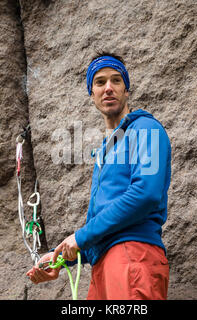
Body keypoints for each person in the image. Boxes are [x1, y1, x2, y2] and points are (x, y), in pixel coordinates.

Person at [26, 52, 172, 300]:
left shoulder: (146, 128)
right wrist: (60, 258)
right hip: (103, 266)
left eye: (116, 80)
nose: (108, 88)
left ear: (127, 90)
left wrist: (80, 237)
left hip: (132, 256)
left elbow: (145, 194)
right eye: (100, 82)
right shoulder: (107, 150)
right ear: (91, 94)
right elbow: (105, 221)